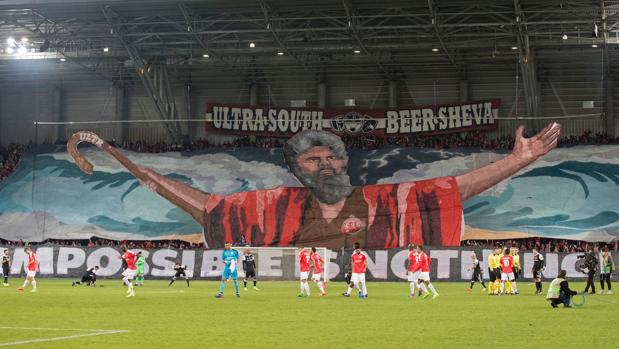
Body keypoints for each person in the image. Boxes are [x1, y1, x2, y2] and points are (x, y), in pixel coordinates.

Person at [69, 123, 561, 249]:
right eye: (314, 159)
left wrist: (516, 162)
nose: (327, 164)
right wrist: (121, 159)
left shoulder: (383, 201)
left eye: (333, 156)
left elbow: (456, 189)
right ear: (299, 171)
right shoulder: (265, 207)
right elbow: (198, 202)